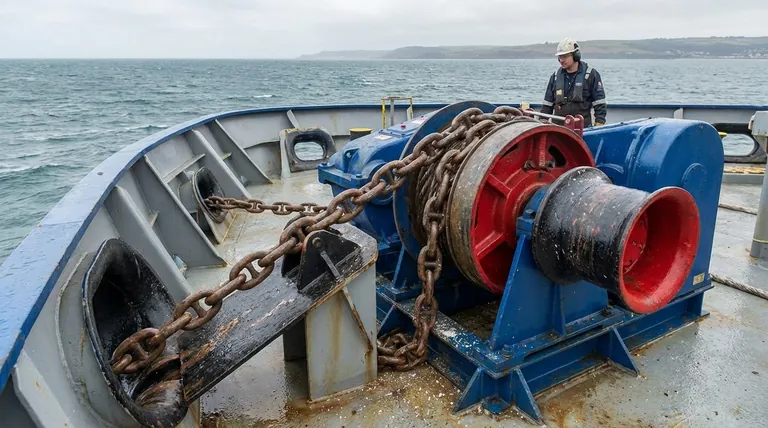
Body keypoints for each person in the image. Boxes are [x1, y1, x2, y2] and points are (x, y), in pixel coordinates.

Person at [541, 38, 606, 127]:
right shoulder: (555, 77)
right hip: (558, 130)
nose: (561, 60)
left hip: (582, 130)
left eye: (565, 56)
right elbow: (547, 106)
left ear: (576, 55)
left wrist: (599, 124)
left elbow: (599, 104)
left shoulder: (591, 75)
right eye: (560, 57)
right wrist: (541, 124)